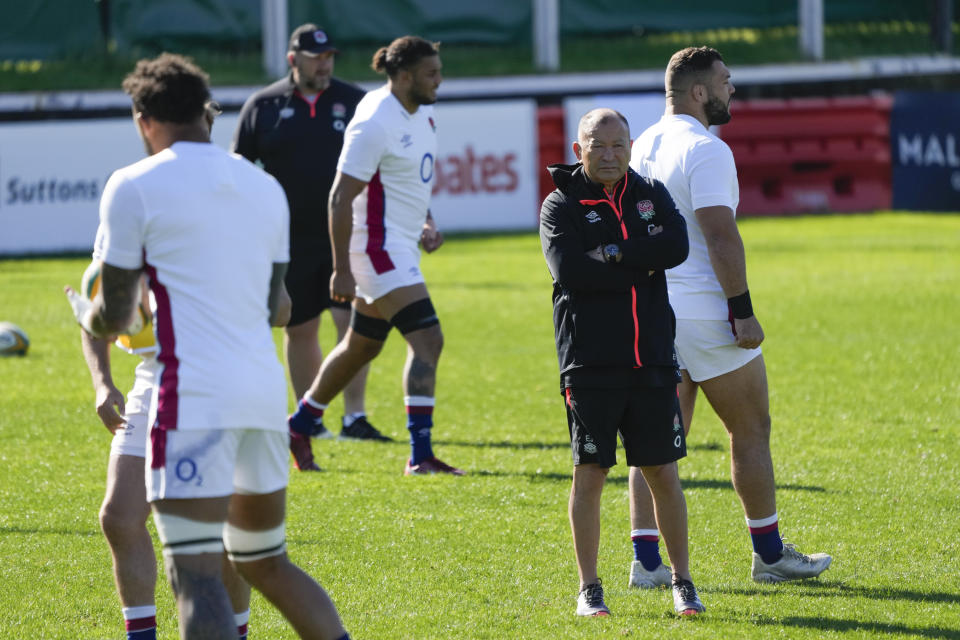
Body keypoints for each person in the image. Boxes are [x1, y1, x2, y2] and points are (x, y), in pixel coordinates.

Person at [67, 53, 349, 639]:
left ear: (144, 119)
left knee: (195, 577)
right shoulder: (262, 186)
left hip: (191, 397)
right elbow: (279, 309)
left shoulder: (132, 184)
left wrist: (88, 312)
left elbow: (115, 313)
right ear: (204, 111)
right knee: (266, 562)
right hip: (263, 395)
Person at [629, 46, 832, 584]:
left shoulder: (642, 143)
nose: (732, 89)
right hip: (703, 314)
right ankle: (769, 555)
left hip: (652, 310)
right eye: (725, 81)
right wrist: (742, 311)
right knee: (750, 427)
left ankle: (646, 562)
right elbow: (720, 233)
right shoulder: (706, 148)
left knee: (657, 440)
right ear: (699, 91)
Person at [540, 107, 704, 617]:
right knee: (590, 473)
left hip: (652, 358)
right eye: (598, 145)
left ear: (631, 146)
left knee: (662, 471)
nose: (609, 155)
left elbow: (676, 245)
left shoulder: (650, 192)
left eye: (618, 145)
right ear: (578, 149)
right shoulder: (560, 203)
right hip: (590, 364)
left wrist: (610, 253)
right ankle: (590, 589)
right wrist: (640, 261)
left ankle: (683, 582)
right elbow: (570, 271)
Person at [286, 36, 463, 477]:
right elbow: (339, 199)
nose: (439, 80)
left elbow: (408, 181)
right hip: (375, 247)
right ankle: (420, 455)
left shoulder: (423, 112)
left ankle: (299, 424)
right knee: (428, 339)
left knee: (360, 346)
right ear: (403, 77)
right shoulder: (373, 121)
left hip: (398, 244)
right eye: (431, 73)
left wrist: (426, 220)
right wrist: (341, 269)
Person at [70, 263, 252, 640]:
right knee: (119, 517)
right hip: (154, 376)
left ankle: (235, 634)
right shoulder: (119, 223)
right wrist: (102, 383)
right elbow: (96, 314)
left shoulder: (207, 213)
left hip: (214, 377)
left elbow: (279, 308)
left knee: (215, 533)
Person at [232, 24, 389, 451]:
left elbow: (386, 164)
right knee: (299, 328)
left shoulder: (355, 101)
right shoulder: (262, 106)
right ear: (292, 59)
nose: (324, 63)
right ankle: (311, 419)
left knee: (352, 326)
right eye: (315, 56)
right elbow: (238, 171)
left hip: (347, 234)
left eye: (329, 56)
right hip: (286, 239)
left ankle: (355, 416)